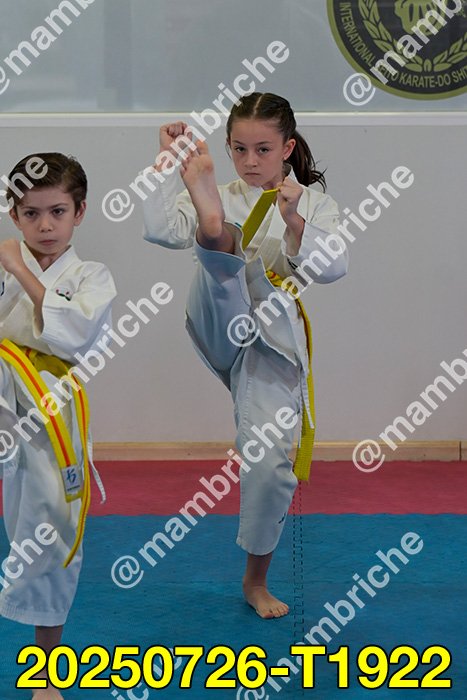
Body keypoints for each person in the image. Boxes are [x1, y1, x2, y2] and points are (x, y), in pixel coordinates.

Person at [142, 92, 348, 618]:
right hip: (216, 316)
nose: (250, 161)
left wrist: (295, 221)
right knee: (220, 256)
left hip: (271, 337)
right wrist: (167, 165)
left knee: (271, 462)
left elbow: (334, 267)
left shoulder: (312, 202)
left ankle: (255, 580)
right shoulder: (225, 190)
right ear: (227, 149)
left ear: (287, 148)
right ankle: (216, 232)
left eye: (263, 150)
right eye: (238, 149)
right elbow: (160, 230)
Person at [0, 152, 116, 698]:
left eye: (57, 212)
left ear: (80, 212)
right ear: (14, 215)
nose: (45, 225)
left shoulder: (92, 277)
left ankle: (45, 670)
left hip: (52, 411)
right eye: (31, 214)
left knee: (52, 529)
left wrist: (19, 270)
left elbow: (75, 335)